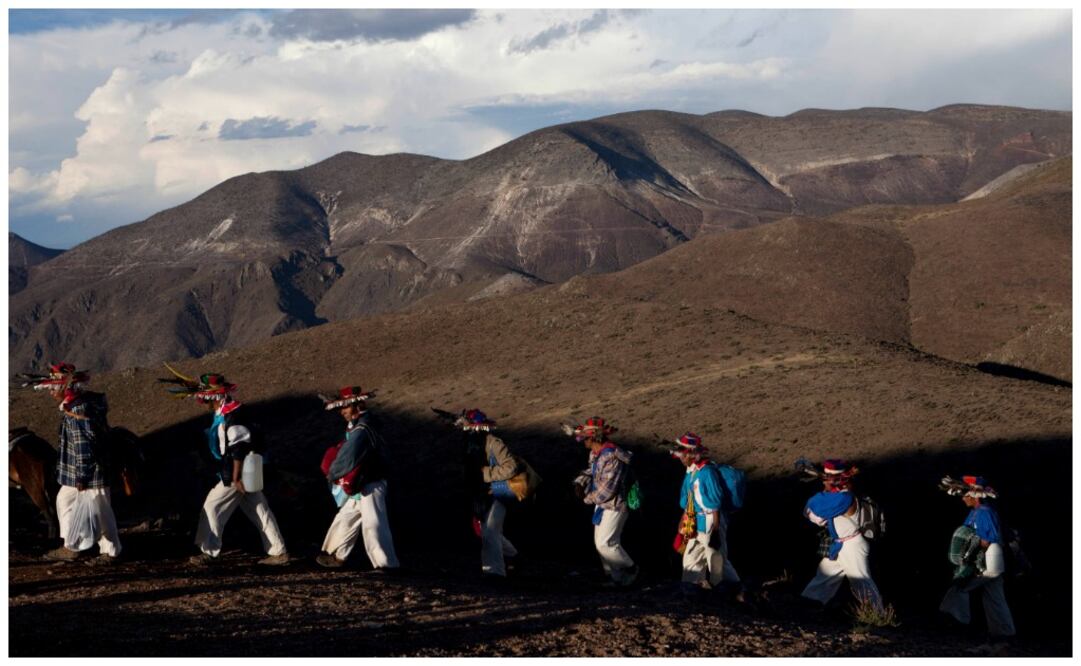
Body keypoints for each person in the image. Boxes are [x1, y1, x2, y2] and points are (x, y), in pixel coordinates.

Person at [159, 367, 289, 566]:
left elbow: (238, 448)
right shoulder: (228, 412)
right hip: (248, 471)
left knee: (212, 506)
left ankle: (208, 551)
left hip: (237, 473)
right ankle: (278, 551)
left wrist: (235, 477)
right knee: (260, 511)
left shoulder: (233, 415)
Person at [23, 363, 122, 564]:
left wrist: (82, 476)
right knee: (64, 501)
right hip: (79, 471)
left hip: (89, 472)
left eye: (54, 387)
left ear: (66, 388)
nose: (51, 391)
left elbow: (84, 446)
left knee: (101, 511)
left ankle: (111, 551)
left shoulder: (78, 412)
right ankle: (72, 545)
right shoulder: (78, 407)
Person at [316, 386, 399, 572]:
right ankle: (334, 554)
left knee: (374, 523)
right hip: (362, 482)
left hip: (371, 481)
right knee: (346, 518)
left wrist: (332, 474)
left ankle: (386, 565)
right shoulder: (362, 425)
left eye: (344, 408)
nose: (342, 412)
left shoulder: (363, 428)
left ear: (355, 406)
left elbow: (349, 456)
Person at [938, 475, 1016, 640]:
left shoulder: (983, 513)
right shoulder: (980, 512)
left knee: (962, 586)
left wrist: (970, 557)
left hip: (989, 557)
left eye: (965, 495)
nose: (963, 499)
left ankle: (958, 622)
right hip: (995, 558)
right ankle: (1004, 631)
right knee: (994, 595)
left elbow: (986, 540)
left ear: (974, 495)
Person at [800, 459, 883, 610]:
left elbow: (813, 507)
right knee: (825, 576)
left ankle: (877, 614)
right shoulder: (839, 495)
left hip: (851, 546)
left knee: (861, 581)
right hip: (841, 545)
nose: (824, 482)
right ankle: (809, 605)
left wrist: (826, 489)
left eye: (827, 478)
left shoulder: (844, 497)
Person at [451, 408, 521, 579]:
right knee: (487, 531)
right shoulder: (469, 444)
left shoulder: (492, 443)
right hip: (480, 495)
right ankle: (512, 555)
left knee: (490, 532)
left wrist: (486, 473)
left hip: (497, 494)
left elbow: (511, 467)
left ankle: (495, 573)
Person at [671, 432, 741, 597]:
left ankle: (733, 589)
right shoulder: (691, 472)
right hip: (697, 520)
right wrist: (684, 519)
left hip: (711, 520)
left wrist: (716, 528)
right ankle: (692, 588)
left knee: (716, 557)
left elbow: (715, 501)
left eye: (683, 454)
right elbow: (689, 499)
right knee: (691, 557)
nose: (681, 458)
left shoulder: (707, 472)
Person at [571, 417, 638, 587]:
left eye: (585, 437)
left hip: (615, 505)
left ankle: (630, 568)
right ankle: (616, 579)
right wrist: (580, 481)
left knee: (605, 543)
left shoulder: (612, 457)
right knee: (604, 543)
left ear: (594, 438)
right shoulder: (596, 453)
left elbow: (608, 489)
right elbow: (592, 471)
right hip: (603, 504)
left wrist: (586, 498)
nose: (582, 441)